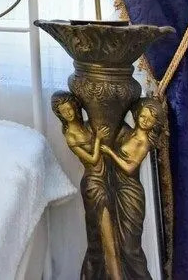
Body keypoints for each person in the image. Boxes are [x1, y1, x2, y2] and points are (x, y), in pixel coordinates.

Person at [52, 91, 121, 280]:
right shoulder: (71, 136)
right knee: (106, 236)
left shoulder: (88, 125)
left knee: (114, 233)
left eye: (69, 108)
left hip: (107, 178)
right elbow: (92, 159)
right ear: (60, 114)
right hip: (94, 185)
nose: (68, 113)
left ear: (75, 107)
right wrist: (98, 139)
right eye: (63, 111)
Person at [102, 97, 166, 278]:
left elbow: (130, 168)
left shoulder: (144, 142)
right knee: (120, 242)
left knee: (131, 247)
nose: (145, 121)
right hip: (118, 190)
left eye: (150, 120)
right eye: (143, 116)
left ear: (154, 123)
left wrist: (110, 152)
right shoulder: (128, 133)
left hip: (130, 193)